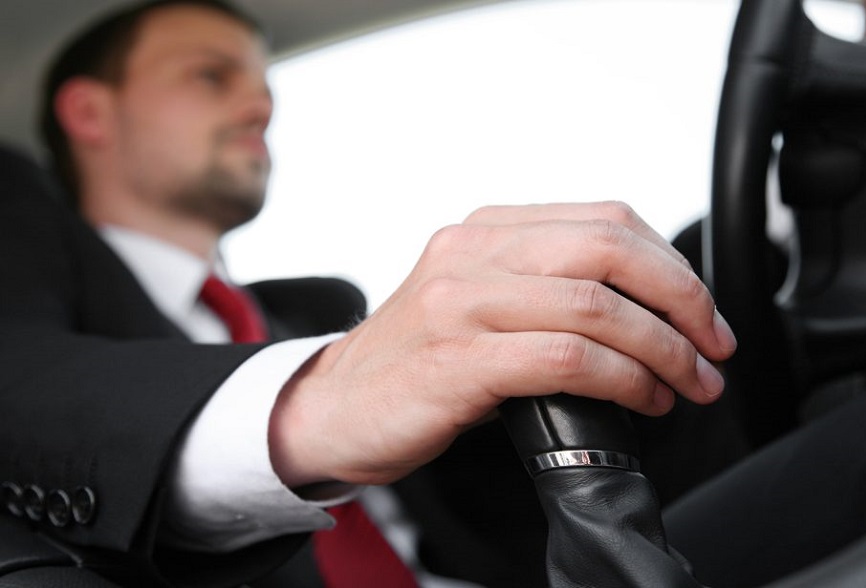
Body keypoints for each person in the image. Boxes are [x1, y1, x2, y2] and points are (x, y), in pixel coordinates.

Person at [0, 1, 735, 586]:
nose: (260, 107)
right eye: (210, 76)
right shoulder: (26, 243)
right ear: (90, 113)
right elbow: (20, 383)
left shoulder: (315, 310)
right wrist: (316, 398)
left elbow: (478, 488)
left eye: (262, 86)